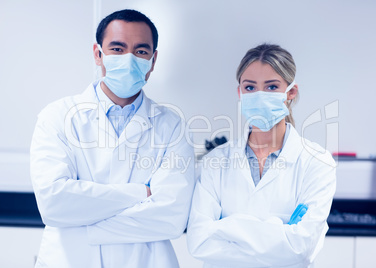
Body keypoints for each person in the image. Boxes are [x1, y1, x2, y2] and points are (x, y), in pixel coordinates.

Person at [30, 9, 195, 268]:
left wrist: (85, 224)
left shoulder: (172, 125)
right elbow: (54, 203)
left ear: (153, 61)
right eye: (117, 49)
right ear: (98, 54)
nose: (129, 60)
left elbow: (172, 217)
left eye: (141, 52)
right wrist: (141, 193)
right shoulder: (57, 116)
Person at [187, 44, 336, 268]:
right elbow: (199, 241)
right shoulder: (216, 160)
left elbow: (300, 250)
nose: (259, 96)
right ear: (240, 92)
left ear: (291, 92)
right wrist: (278, 230)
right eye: (250, 88)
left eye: (271, 87)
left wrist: (226, 227)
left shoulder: (317, 161)